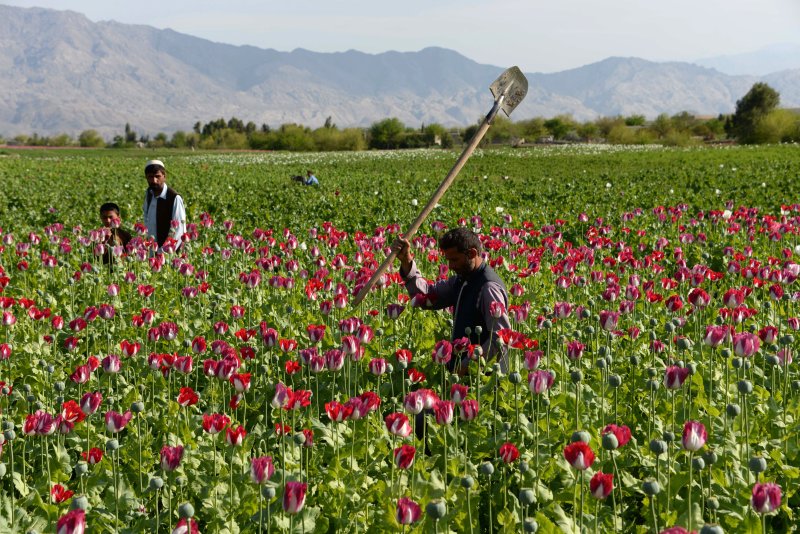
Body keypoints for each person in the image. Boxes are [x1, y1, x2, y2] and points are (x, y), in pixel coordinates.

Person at [392, 227, 511, 373]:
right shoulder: (462, 280)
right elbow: (429, 294)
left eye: (455, 259)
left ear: (472, 253)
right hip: (462, 373)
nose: (450, 266)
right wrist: (407, 261)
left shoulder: (488, 288)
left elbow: (501, 339)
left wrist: (468, 365)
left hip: (485, 380)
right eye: (448, 260)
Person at [142, 159, 186, 252]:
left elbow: (178, 229)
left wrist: (164, 251)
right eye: (150, 177)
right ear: (146, 177)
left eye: (157, 176)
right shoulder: (149, 195)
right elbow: (146, 220)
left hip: (169, 253)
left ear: (164, 176)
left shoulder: (174, 198)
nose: (154, 180)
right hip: (152, 251)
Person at [99, 202, 132, 268]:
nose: (108, 220)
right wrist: (104, 240)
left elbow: (131, 255)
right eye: (104, 217)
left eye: (111, 217)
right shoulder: (98, 236)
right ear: (101, 218)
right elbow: (97, 257)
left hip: (124, 269)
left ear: (118, 217)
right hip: (105, 271)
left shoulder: (125, 235)